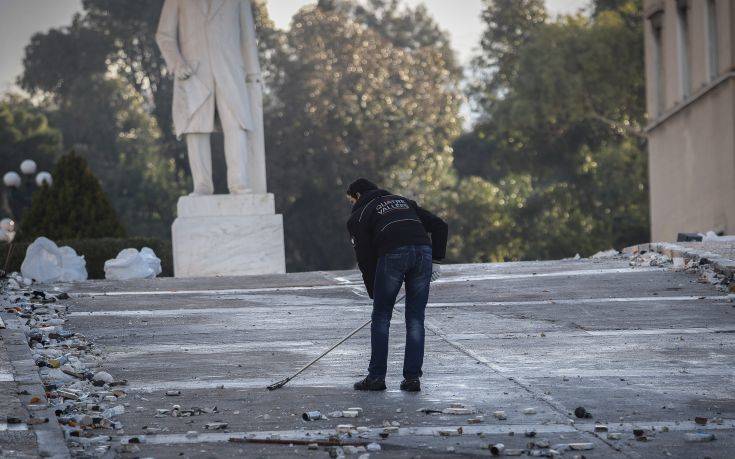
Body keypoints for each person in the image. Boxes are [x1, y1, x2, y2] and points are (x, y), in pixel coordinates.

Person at [346, 178, 448, 392]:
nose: (351, 205)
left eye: (350, 201)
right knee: (415, 318)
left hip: (393, 254)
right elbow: (440, 225)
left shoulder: (360, 214)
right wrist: (436, 260)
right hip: (423, 253)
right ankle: (412, 379)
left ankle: (376, 378)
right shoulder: (403, 202)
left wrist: (375, 292)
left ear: (356, 196)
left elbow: (364, 258)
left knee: (381, 317)